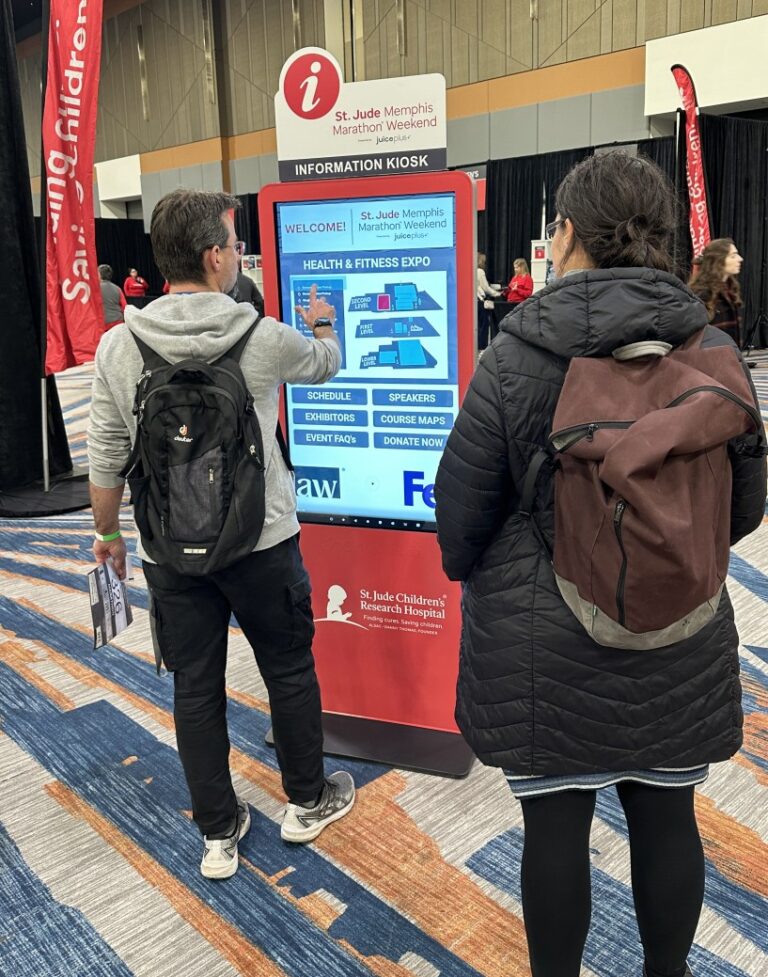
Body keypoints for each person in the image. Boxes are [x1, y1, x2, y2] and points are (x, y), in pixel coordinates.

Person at [434, 152, 766, 977]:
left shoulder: (512, 359)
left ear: (569, 234)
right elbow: (745, 507)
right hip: (677, 640)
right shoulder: (713, 351)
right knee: (668, 821)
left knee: (554, 832)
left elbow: (460, 520)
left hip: (543, 656)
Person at [87, 188, 355, 880]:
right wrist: (324, 322)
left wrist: (107, 535)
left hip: (168, 552)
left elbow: (107, 453)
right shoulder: (259, 336)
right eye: (235, 245)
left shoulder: (120, 346)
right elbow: (327, 364)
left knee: (195, 685)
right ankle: (305, 800)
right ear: (213, 256)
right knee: (289, 667)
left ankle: (218, 832)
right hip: (263, 543)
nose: (240, 255)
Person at [689, 238, 743, 347]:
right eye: (733, 256)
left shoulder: (730, 289)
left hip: (729, 356)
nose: (740, 259)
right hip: (712, 358)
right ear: (719, 260)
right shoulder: (702, 292)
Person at [476, 252, 501, 349]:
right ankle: (482, 347)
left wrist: (498, 287)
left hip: (473, 301)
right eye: (484, 261)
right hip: (481, 301)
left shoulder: (470, 269)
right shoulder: (480, 271)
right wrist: (498, 294)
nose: (485, 263)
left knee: (477, 325)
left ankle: (476, 346)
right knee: (483, 325)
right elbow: (486, 288)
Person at [98, 264, 126, 332]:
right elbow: (124, 306)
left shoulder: (95, 289)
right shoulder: (117, 288)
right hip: (118, 323)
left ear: (100, 275)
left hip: (103, 325)